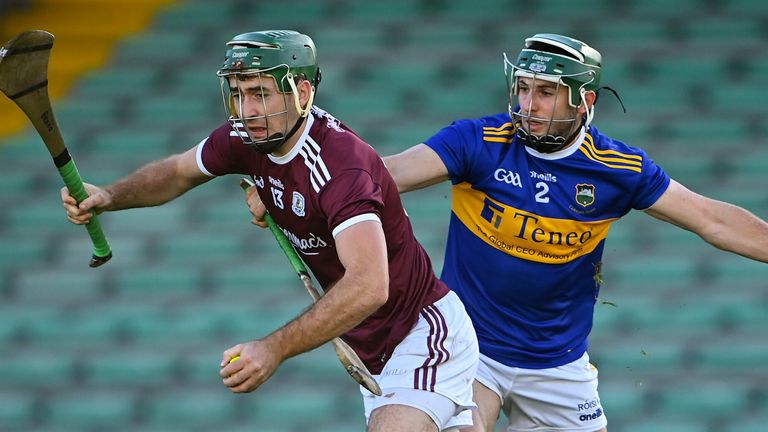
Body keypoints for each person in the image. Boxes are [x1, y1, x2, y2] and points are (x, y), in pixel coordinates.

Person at [61, 30, 479, 432]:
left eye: (261, 94)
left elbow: (370, 285)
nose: (247, 110)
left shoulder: (340, 166)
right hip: (371, 348)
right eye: (239, 93)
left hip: (420, 332)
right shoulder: (249, 138)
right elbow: (178, 172)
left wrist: (273, 348)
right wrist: (110, 196)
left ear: (302, 93)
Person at [381, 33, 768, 432]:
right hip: (471, 347)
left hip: (558, 363)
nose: (528, 105)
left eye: (546, 92)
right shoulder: (477, 142)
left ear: (584, 100)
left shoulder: (618, 168)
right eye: (524, 88)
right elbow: (386, 176)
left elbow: (712, 220)